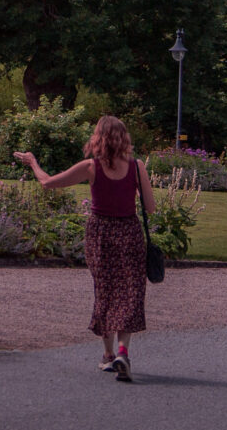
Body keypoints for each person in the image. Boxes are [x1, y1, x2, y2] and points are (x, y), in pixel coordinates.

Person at [15, 115, 155, 381]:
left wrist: (33, 162)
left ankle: (108, 355)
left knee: (106, 290)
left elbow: (47, 183)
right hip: (130, 232)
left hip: (100, 232)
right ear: (124, 138)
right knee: (131, 292)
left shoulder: (91, 167)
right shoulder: (137, 167)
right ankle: (124, 351)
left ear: (98, 138)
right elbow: (150, 207)